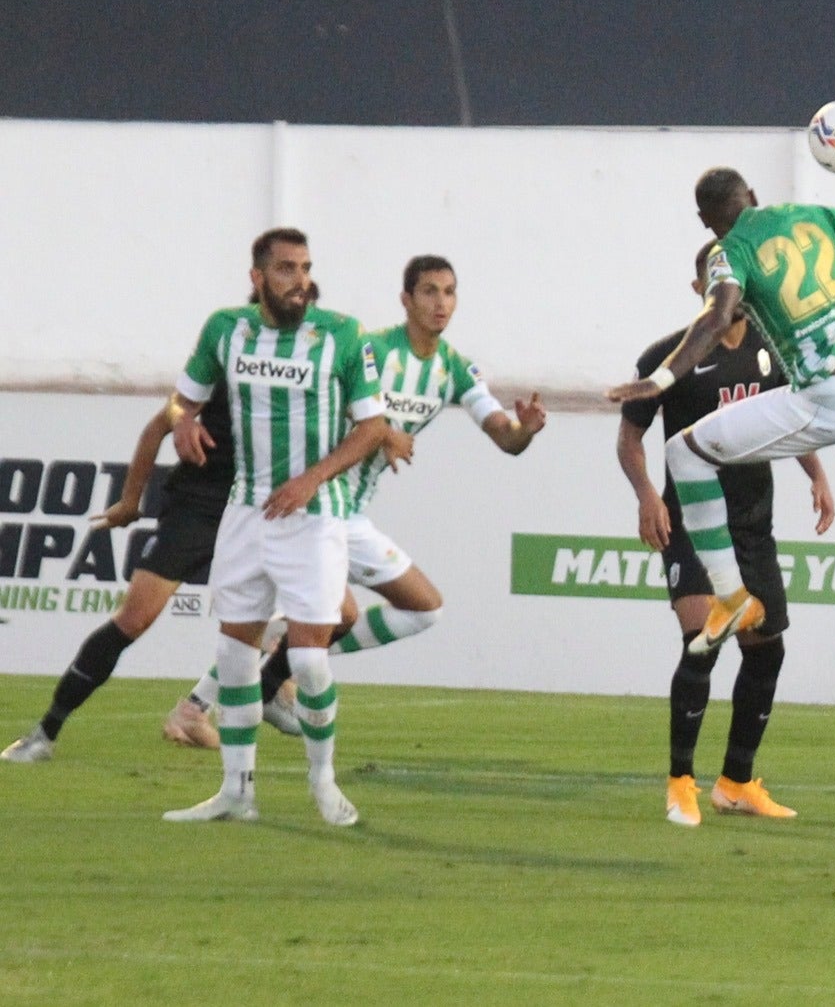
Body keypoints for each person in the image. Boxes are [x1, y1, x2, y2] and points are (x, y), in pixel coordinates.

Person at [161, 254, 547, 747]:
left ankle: (277, 668)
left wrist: (525, 431)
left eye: (449, 292)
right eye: (429, 291)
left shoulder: (455, 369)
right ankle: (202, 706)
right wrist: (383, 431)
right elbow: (329, 399)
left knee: (423, 608)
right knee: (335, 616)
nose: (440, 303)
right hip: (314, 500)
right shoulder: (373, 349)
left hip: (350, 513)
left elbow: (505, 437)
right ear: (406, 300)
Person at [605, 167, 835, 655]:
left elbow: (715, 317)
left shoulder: (732, 251)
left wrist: (660, 378)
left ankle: (730, 598)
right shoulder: (808, 213)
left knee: (683, 454)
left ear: (707, 222)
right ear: (751, 194)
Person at [0, 283, 331, 763]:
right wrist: (130, 500)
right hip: (198, 507)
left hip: (257, 510)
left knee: (325, 610)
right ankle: (44, 734)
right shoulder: (225, 364)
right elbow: (162, 422)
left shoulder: (308, 380)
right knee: (134, 619)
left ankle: (268, 688)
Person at [160, 226, 389, 827]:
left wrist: (313, 478)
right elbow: (183, 400)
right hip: (246, 512)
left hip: (313, 517)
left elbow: (372, 429)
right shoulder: (224, 329)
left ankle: (324, 782)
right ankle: (237, 792)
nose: (300, 280)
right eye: (286, 269)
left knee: (310, 662)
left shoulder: (341, 334)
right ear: (257, 278)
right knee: (235, 656)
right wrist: (182, 422)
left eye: (305, 267)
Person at [618, 243, 835, 825]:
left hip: (751, 524)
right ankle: (680, 782)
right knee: (703, 640)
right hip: (691, 519)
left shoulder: (772, 349)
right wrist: (646, 496)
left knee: (767, 651)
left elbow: (790, 417)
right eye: (716, 283)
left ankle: (736, 783)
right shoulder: (667, 357)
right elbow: (629, 438)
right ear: (700, 293)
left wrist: (816, 474)